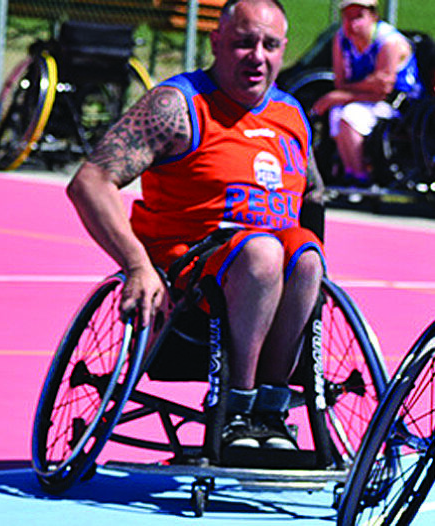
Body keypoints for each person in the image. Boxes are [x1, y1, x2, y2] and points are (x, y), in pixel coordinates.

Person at [66, 0, 327, 454]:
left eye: (269, 45)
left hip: (265, 276)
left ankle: (271, 408)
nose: (257, 56)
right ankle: (236, 407)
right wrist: (136, 265)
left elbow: (314, 195)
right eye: (244, 43)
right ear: (217, 42)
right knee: (263, 252)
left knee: (305, 257)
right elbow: (90, 182)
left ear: (284, 50)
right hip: (189, 272)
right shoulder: (178, 105)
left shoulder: (291, 115)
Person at [310, 0, 421, 186]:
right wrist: (361, 87)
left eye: (359, 17)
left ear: (373, 16)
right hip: (366, 100)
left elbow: (383, 89)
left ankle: (362, 176)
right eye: (348, 17)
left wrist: (341, 96)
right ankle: (351, 173)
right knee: (336, 113)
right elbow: (341, 82)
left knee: (348, 115)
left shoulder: (389, 42)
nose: (353, 24)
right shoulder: (341, 39)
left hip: (401, 106)